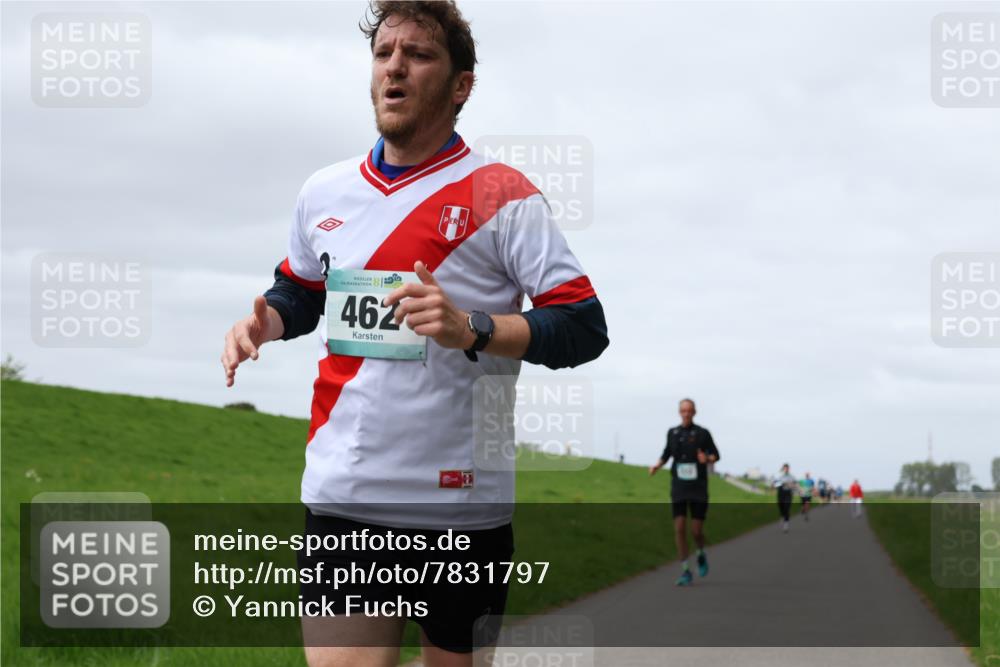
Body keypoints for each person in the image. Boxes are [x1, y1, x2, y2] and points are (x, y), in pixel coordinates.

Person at [220, 2, 609, 665]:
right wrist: (271, 320)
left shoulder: (503, 196)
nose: (395, 67)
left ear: (461, 85)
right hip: (345, 497)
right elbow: (304, 288)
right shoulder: (324, 191)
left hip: (461, 512)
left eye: (419, 54)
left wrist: (472, 328)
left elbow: (581, 326)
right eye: (383, 53)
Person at [649, 398, 720, 586]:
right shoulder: (673, 433)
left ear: (694, 412)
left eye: (689, 410)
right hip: (679, 486)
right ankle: (686, 570)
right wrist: (657, 465)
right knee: (679, 528)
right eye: (683, 411)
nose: (686, 414)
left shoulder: (703, 434)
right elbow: (666, 454)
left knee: (696, 531)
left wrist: (707, 458)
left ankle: (701, 553)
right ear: (679, 412)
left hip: (698, 487)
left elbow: (716, 455)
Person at [774, 464, 797, 533]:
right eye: (785, 468)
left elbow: (795, 484)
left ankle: (786, 524)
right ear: (783, 469)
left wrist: (792, 485)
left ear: (789, 469)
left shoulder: (792, 476)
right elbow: (776, 484)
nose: (786, 469)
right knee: (781, 505)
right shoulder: (780, 476)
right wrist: (782, 483)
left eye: (787, 468)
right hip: (781, 492)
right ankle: (782, 515)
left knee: (787, 507)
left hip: (788, 493)